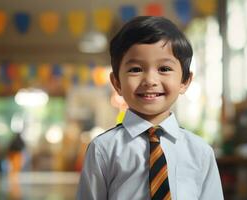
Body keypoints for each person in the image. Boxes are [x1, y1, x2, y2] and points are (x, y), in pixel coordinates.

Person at [77, 16, 223, 200]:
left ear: (185, 81)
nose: (150, 81)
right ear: (117, 82)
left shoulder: (200, 151)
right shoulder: (103, 149)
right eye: (136, 69)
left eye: (164, 69)